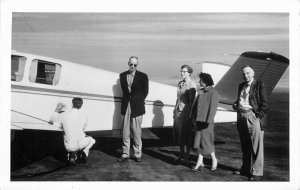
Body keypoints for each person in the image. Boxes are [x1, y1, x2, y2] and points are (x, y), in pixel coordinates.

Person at [232, 65, 268, 181]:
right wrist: (236, 104)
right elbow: (241, 100)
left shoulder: (259, 84)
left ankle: (257, 172)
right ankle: (245, 169)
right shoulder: (241, 85)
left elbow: (265, 104)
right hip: (241, 116)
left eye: (248, 73)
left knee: (256, 146)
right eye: (244, 74)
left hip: (252, 117)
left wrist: (257, 117)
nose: (245, 75)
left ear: (253, 73)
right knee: (245, 145)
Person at [118, 56, 149, 162]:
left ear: (137, 65)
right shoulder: (122, 75)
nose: (133, 66)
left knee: (136, 132)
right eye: (131, 64)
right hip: (126, 106)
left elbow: (145, 92)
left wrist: (137, 100)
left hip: (137, 107)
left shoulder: (143, 76)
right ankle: (125, 153)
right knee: (125, 132)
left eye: (135, 65)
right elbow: (124, 91)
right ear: (128, 63)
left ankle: (137, 154)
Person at [190, 72, 219, 172]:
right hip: (198, 121)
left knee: (206, 142)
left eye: (201, 81)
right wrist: (193, 118)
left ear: (206, 82)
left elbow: (212, 109)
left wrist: (207, 122)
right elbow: (195, 107)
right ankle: (200, 161)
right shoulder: (201, 92)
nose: (199, 82)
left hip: (207, 123)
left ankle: (214, 159)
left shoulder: (213, 93)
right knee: (199, 142)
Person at [173, 65, 196, 165]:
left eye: (184, 72)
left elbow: (191, 102)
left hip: (185, 113)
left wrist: (188, 115)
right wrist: (175, 110)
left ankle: (187, 155)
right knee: (178, 134)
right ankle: (181, 154)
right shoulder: (180, 84)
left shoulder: (192, 84)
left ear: (189, 73)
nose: (182, 73)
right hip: (178, 111)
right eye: (181, 71)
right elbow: (178, 98)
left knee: (185, 134)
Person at [61, 97, 96, 165]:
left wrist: (57, 109)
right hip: (80, 144)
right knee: (92, 140)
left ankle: (72, 154)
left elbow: (55, 123)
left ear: (72, 104)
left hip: (68, 146)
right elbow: (84, 128)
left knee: (65, 134)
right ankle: (84, 153)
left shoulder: (64, 114)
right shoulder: (84, 116)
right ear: (81, 105)